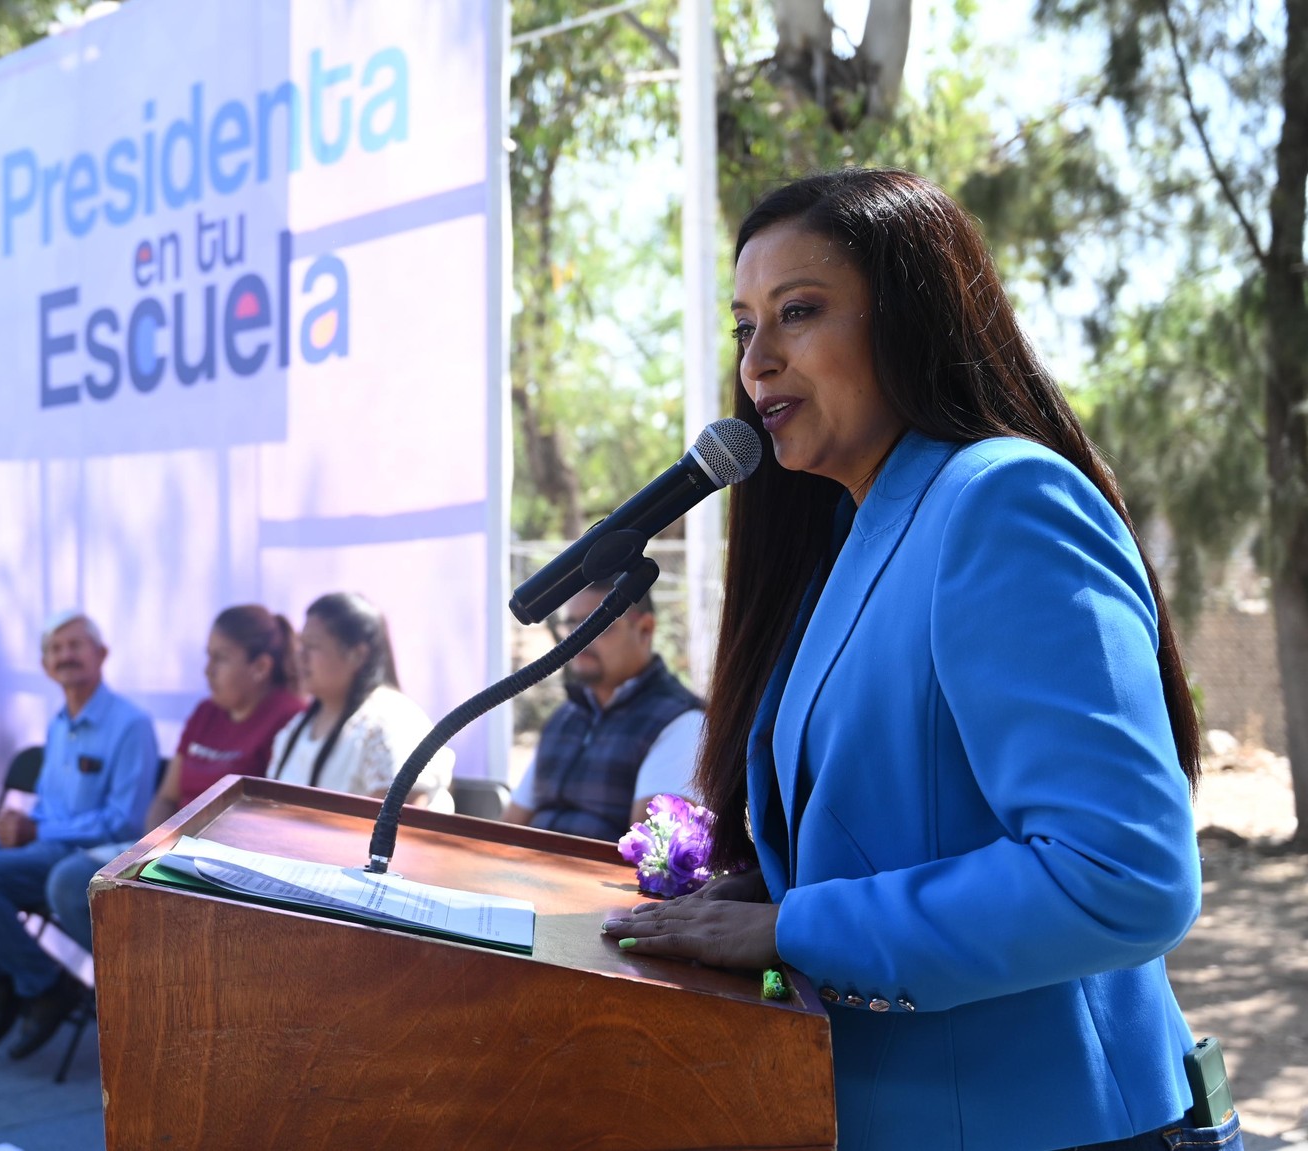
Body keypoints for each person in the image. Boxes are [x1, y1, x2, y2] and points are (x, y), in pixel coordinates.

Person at [600, 170, 1227, 1151]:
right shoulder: (853, 535)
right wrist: (764, 890)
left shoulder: (999, 502)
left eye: (796, 313)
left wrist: (793, 928)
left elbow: (1121, 874)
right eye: (742, 327)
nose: (755, 362)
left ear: (910, 321)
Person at [0, 610, 158, 1060]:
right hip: (38, 840)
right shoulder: (59, 721)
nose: (66, 657)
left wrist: (36, 828)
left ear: (101, 654)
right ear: (44, 666)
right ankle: (1, 978)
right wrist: (15, 824)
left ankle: (46, 986)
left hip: (81, 852)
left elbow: (125, 822)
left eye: (75, 645)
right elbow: (46, 806)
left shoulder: (130, 724)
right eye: (55, 649)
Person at [42, 604, 306, 972]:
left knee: (70, 881)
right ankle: (137, 987)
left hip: (227, 867)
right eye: (208, 657)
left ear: (260, 667)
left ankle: (147, 992)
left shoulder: (289, 719)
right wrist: (150, 850)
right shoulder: (206, 713)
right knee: (73, 882)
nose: (207, 670)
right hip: (172, 852)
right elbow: (167, 795)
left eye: (221, 658)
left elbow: (275, 824)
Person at [502, 581, 704, 838]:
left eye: (598, 624)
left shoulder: (682, 722)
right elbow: (508, 829)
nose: (579, 637)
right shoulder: (564, 717)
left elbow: (651, 857)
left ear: (645, 629)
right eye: (572, 624)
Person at [267, 592, 453, 812]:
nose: (301, 656)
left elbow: (402, 815)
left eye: (313, 646)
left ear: (357, 655)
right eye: (301, 644)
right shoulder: (298, 726)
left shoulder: (392, 720)